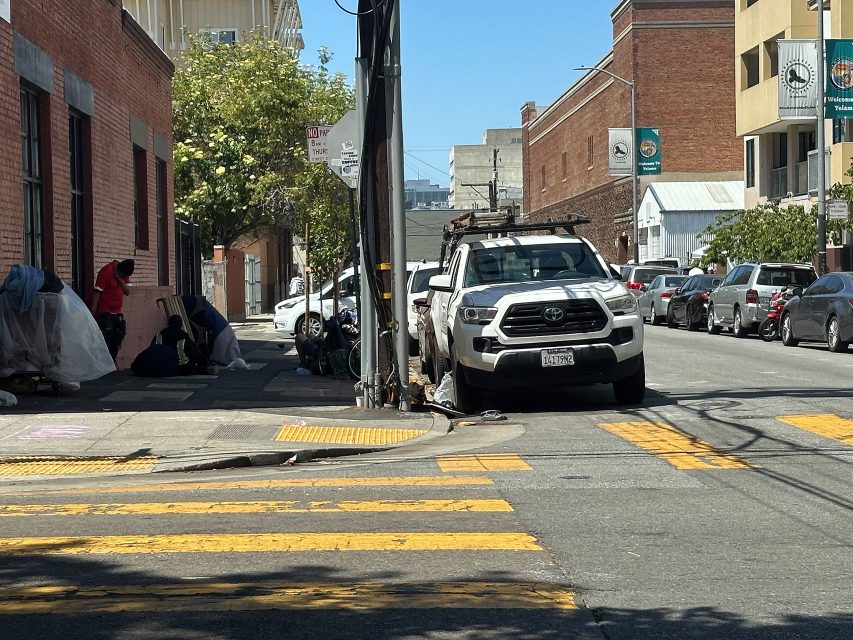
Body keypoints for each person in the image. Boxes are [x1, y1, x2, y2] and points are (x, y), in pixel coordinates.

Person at [91, 259, 134, 363]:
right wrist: (92, 313)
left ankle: (111, 359)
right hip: (105, 309)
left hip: (117, 310)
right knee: (107, 332)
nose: (124, 277)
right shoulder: (106, 271)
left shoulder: (123, 274)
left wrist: (120, 280)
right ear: (118, 269)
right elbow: (97, 294)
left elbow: (127, 291)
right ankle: (101, 360)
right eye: (122, 275)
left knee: (119, 333)